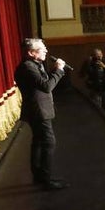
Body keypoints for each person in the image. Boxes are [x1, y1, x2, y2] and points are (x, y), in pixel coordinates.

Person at [14, 37, 68, 190]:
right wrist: (58, 70)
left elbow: (41, 82)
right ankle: (47, 180)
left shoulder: (33, 65)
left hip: (38, 109)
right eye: (42, 49)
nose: (46, 51)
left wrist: (53, 71)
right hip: (38, 110)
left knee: (38, 141)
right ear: (31, 52)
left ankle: (39, 176)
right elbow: (46, 86)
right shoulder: (28, 67)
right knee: (49, 142)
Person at [79, 48, 105, 117]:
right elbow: (82, 74)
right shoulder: (89, 62)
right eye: (97, 55)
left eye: (100, 55)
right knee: (97, 107)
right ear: (93, 56)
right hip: (95, 88)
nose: (99, 57)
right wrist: (88, 63)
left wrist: (104, 67)